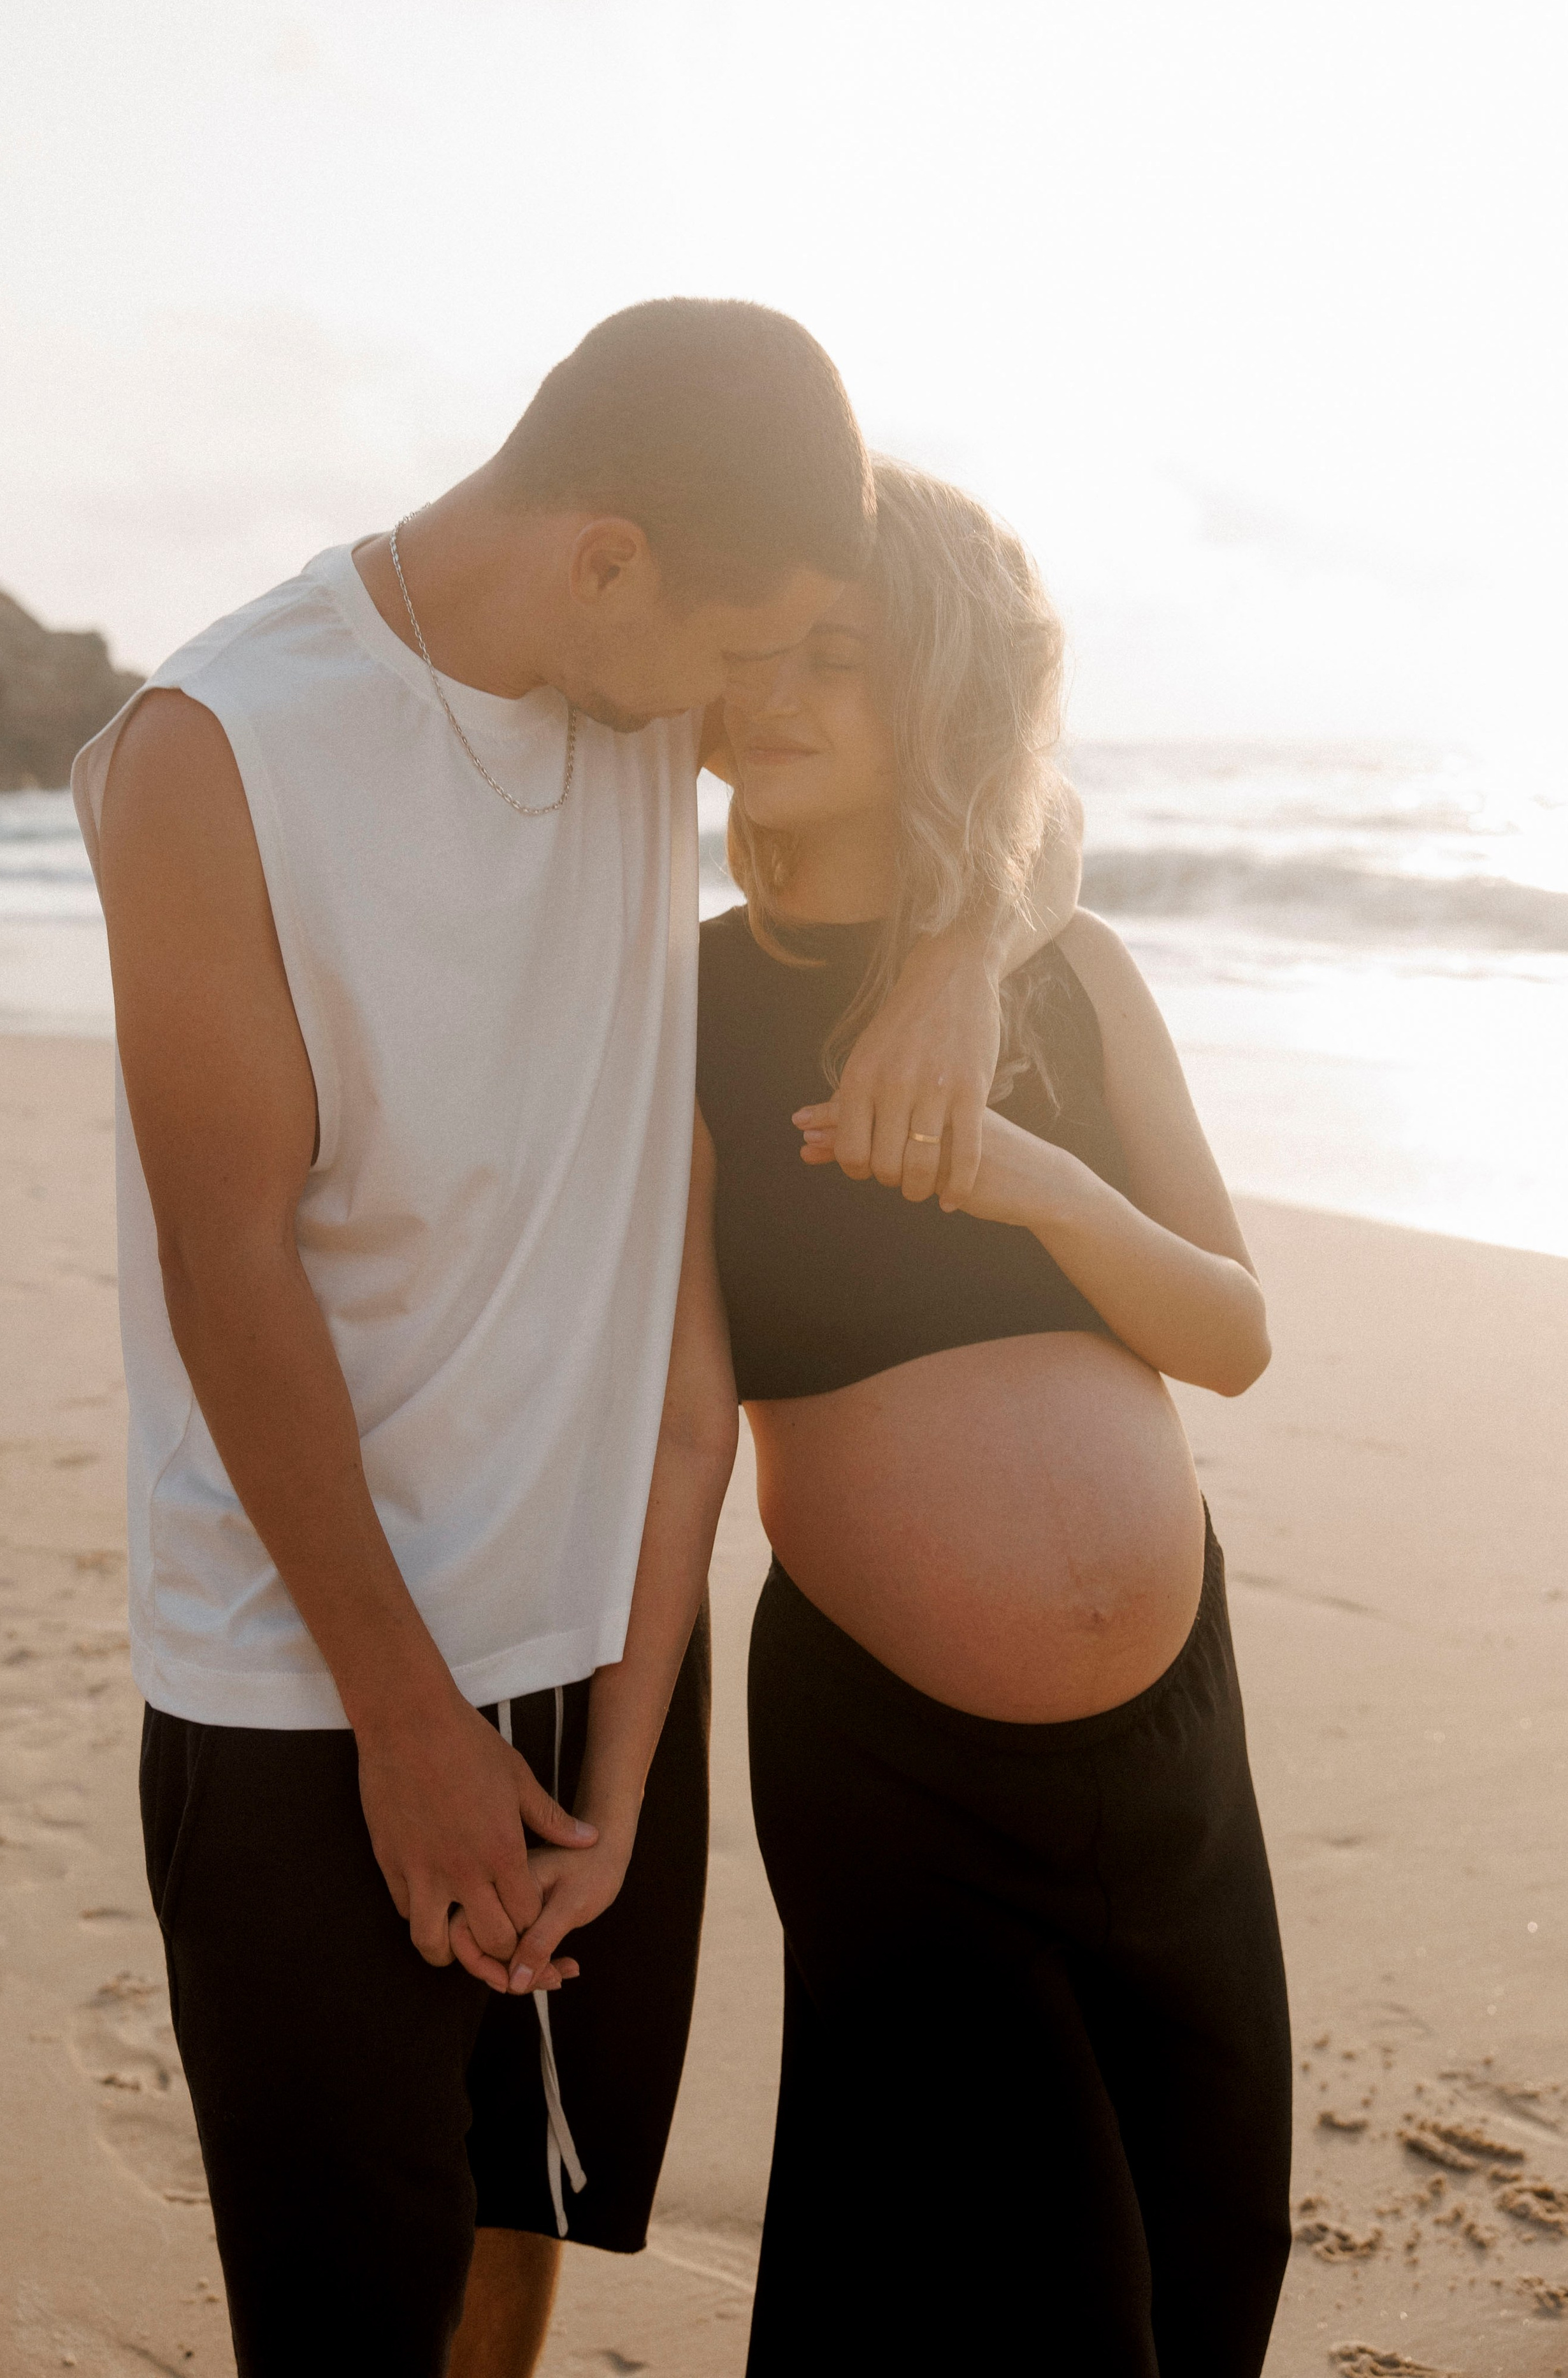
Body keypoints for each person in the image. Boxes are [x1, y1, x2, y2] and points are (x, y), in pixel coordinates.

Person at [73, 303, 1082, 2378]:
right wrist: (406, 1723)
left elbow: (984, 714)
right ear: (608, 556)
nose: (745, 716)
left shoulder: (640, 676)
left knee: (511, 2234)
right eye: (737, 653)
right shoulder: (219, 754)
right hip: (307, 1682)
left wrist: (969, 949)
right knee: (347, 2316)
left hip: (598, 1650)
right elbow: (226, 1262)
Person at [694, 459, 1292, 2375]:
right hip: (896, 1774)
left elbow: (1233, 1333)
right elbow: (672, 1428)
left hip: (1183, 1756)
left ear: (939, 690)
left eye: (839, 657)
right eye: (753, 654)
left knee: (1213, 2269)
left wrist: (1036, 1180)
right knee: (1032, 2314)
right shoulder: (684, 1006)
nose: (773, 694)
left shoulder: (1074, 975)